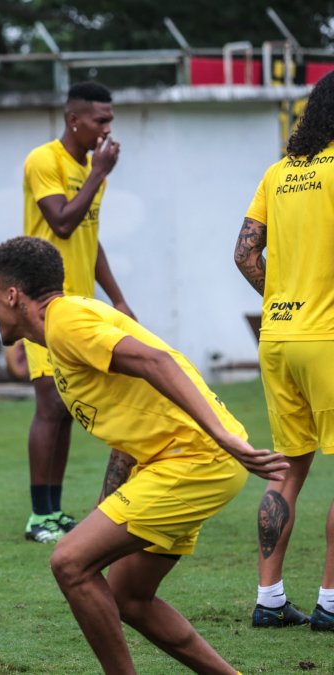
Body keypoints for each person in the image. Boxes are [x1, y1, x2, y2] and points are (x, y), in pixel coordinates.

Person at [0, 236, 287, 673]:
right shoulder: (63, 325)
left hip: (194, 460)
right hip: (179, 461)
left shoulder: (66, 321)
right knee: (130, 598)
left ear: (13, 296)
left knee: (69, 562)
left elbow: (158, 362)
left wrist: (224, 438)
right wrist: (102, 510)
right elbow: (127, 426)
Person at [235, 69, 334, 631]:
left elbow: (246, 254)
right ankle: (330, 603)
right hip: (329, 340)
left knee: (288, 470)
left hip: (277, 337)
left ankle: (269, 599)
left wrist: (283, 298)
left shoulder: (280, 172)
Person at [20, 80, 134, 543]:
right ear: (74, 119)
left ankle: (53, 510)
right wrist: (98, 175)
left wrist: (117, 296)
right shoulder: (44, 160)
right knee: (50, 403)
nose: (107, 128)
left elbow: (90, 234)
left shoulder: (88, 166)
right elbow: (63, 222)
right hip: (38, 301)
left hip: (76, 303)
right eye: (100, 119)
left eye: (110, 119)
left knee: (65, 407)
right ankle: (39, 516)